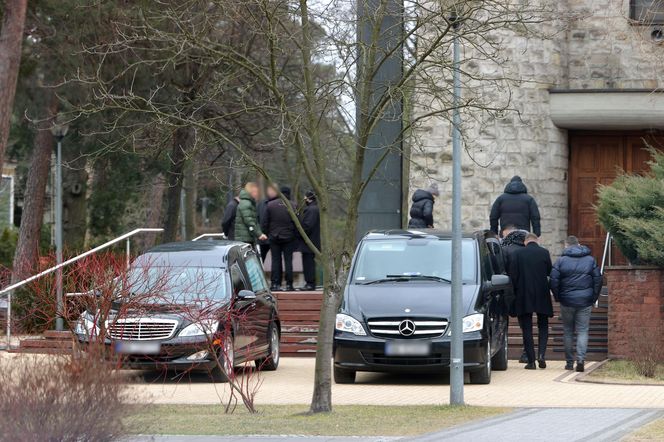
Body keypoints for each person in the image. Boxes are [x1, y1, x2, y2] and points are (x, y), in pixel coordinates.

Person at [550, 236, 602, 373]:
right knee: (583, 330)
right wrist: (593, 297)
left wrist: (558, 297)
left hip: (566, 300)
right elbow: (598, 280)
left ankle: (568, 362)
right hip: (585, 300)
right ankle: (580, 359)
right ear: (578, 244)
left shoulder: (561, 261)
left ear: (566, 246)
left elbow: (553, 281)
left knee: (568, 331)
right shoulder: (590, 260)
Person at [509, 233, 553, 370]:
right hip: (542, 294)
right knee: (543, 326)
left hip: (523, 295)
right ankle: (541, 355)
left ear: (525, 241)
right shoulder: (544, 253)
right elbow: (549, 272)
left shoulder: (517, 254)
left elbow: (513, 276)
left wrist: (513, 296)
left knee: (526, 329)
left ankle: (531, 361)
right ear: (537, 240)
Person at [500, 225, 529, 363]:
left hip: (506, 290)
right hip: (525, 292)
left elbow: (501, 270)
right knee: (525, 325)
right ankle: (526, 353)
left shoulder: (505, 250)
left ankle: (501, 352)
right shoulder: (527, 251)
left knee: (502, 322)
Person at [263, 185, 297, 291]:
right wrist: (294, 235)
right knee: (288, 261)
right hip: (289, 237)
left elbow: (265, 222)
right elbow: (298, 222)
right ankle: (289, 284)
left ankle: (275, 284)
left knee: (275, 260)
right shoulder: (293, 205)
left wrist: (267, 233)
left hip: (274, 237)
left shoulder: (270, 205)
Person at [299, 190, 320, 291]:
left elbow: (307, 226)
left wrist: (300, 230)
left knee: (308, 263)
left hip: (309, 242)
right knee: (309, 262)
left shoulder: (311, 210)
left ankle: (310, 283)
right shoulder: (314, 209)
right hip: (312, 241)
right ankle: (310, 283)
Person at [256, 192, 271, 262]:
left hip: (263, 236)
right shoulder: (280, 203)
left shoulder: (260, 204)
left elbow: (256, 219)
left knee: (261, 258)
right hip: (274, 237)